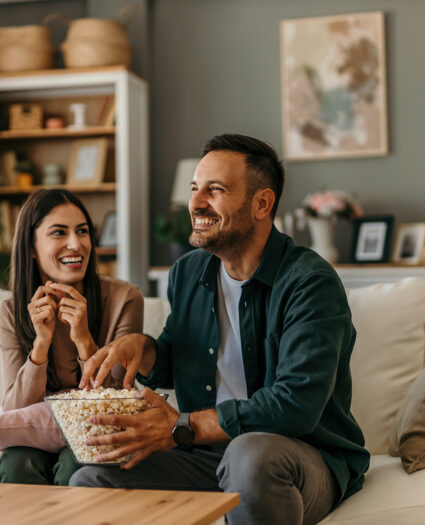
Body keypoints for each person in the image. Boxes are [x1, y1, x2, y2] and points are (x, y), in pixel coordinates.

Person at [71, 134, 369, 524]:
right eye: (195, 189)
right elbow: (176, 354)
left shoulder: (309, 281)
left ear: (262, 203)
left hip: (298, 456)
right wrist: (140, 348)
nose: (195, 203)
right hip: (207, 455)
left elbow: (296, 406)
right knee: (93, 479)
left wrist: (181, 426)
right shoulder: (188, 272)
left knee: (250, 457)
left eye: (215, 190)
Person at [0, 189, 144, 486]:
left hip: (96, 430)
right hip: (37, 435)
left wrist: (84, 340)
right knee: (15, 463)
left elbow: (117, 400)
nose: (75, 244)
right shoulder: (12, 311)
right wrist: (41, 345)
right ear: (32, 247)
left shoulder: (124, 299)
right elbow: (14, 408)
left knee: (77, 460)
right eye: (59, 233)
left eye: (83, 231)